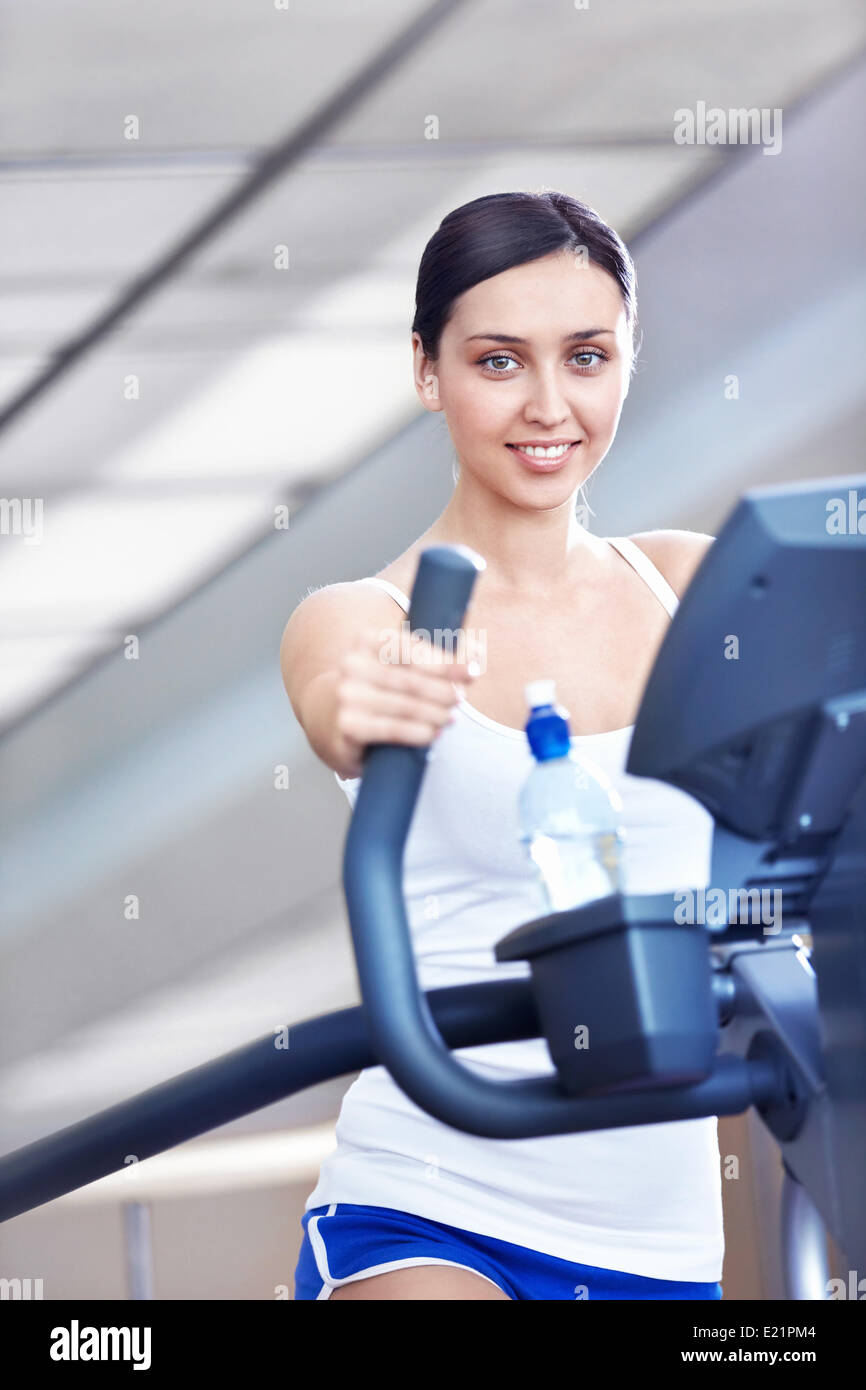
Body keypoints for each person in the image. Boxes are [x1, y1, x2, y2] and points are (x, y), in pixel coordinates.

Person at [281, 190, 722, 1301]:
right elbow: (337, 697)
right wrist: (371, 702)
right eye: (495, 361)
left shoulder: (690, 586)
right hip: (436, 1198)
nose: (546, 404)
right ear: (426, 371)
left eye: (584, 356)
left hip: (659, 1238)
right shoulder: (368, 617)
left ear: (625, 359)